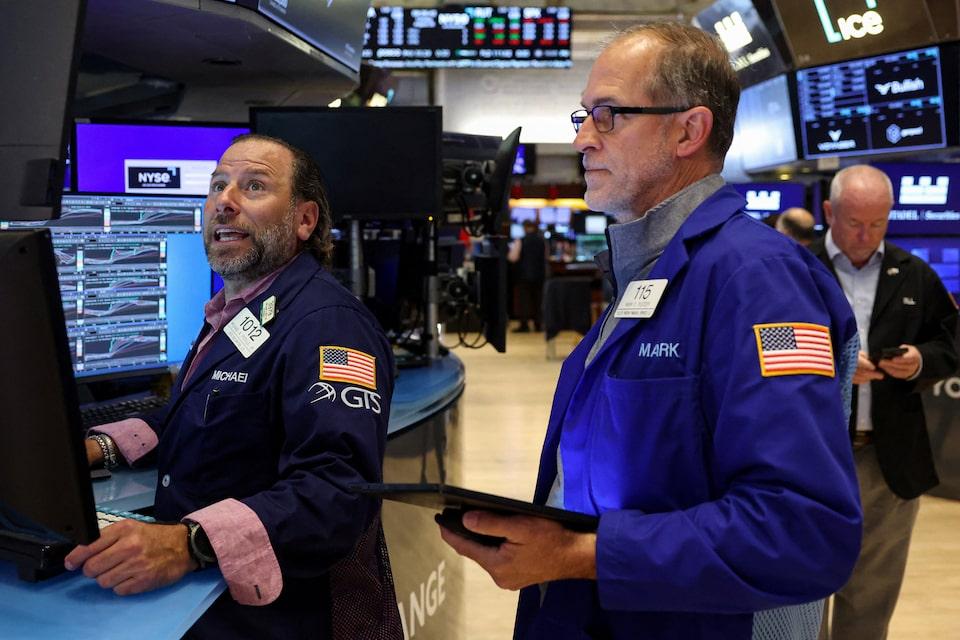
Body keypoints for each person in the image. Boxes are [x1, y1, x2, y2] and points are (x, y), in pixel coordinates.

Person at [438, 22, 863, 639]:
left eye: (608, 116)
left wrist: (580, 555)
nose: (582, 138)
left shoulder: (758, 281)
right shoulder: (647, 271)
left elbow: (804, 530)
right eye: (584, 115)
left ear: (689, 131)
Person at [65, 134, 402, 640]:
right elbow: (205, 407)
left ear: (305, 220)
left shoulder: (330, 326)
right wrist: (101, 446)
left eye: (254, 186)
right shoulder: (247, 311)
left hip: (283, 620)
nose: (225, 201)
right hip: (211, 605)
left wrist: (187, 544)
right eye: (218, 185)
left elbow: (337, 490)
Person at [811, 165, 959, 640]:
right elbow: (763, 346)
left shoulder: (914, 273)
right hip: (812, 456)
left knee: (871, 594)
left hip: (887, 459)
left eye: (878, 223)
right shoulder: (796, 268)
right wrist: (833, 364)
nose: (866, 235)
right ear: (829, 211)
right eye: (855, 222)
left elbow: (950, 344)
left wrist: (919, 361)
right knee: (807, 585)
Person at [508, 219, 548, 332]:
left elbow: (513, 257)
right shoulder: (542, 241)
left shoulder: (520, 240)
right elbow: (546, 256)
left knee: (524, 301)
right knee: (538, 300)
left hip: (523, 275)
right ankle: (538, 324)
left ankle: (524, 325)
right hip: (539, 275)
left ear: (524, 227)